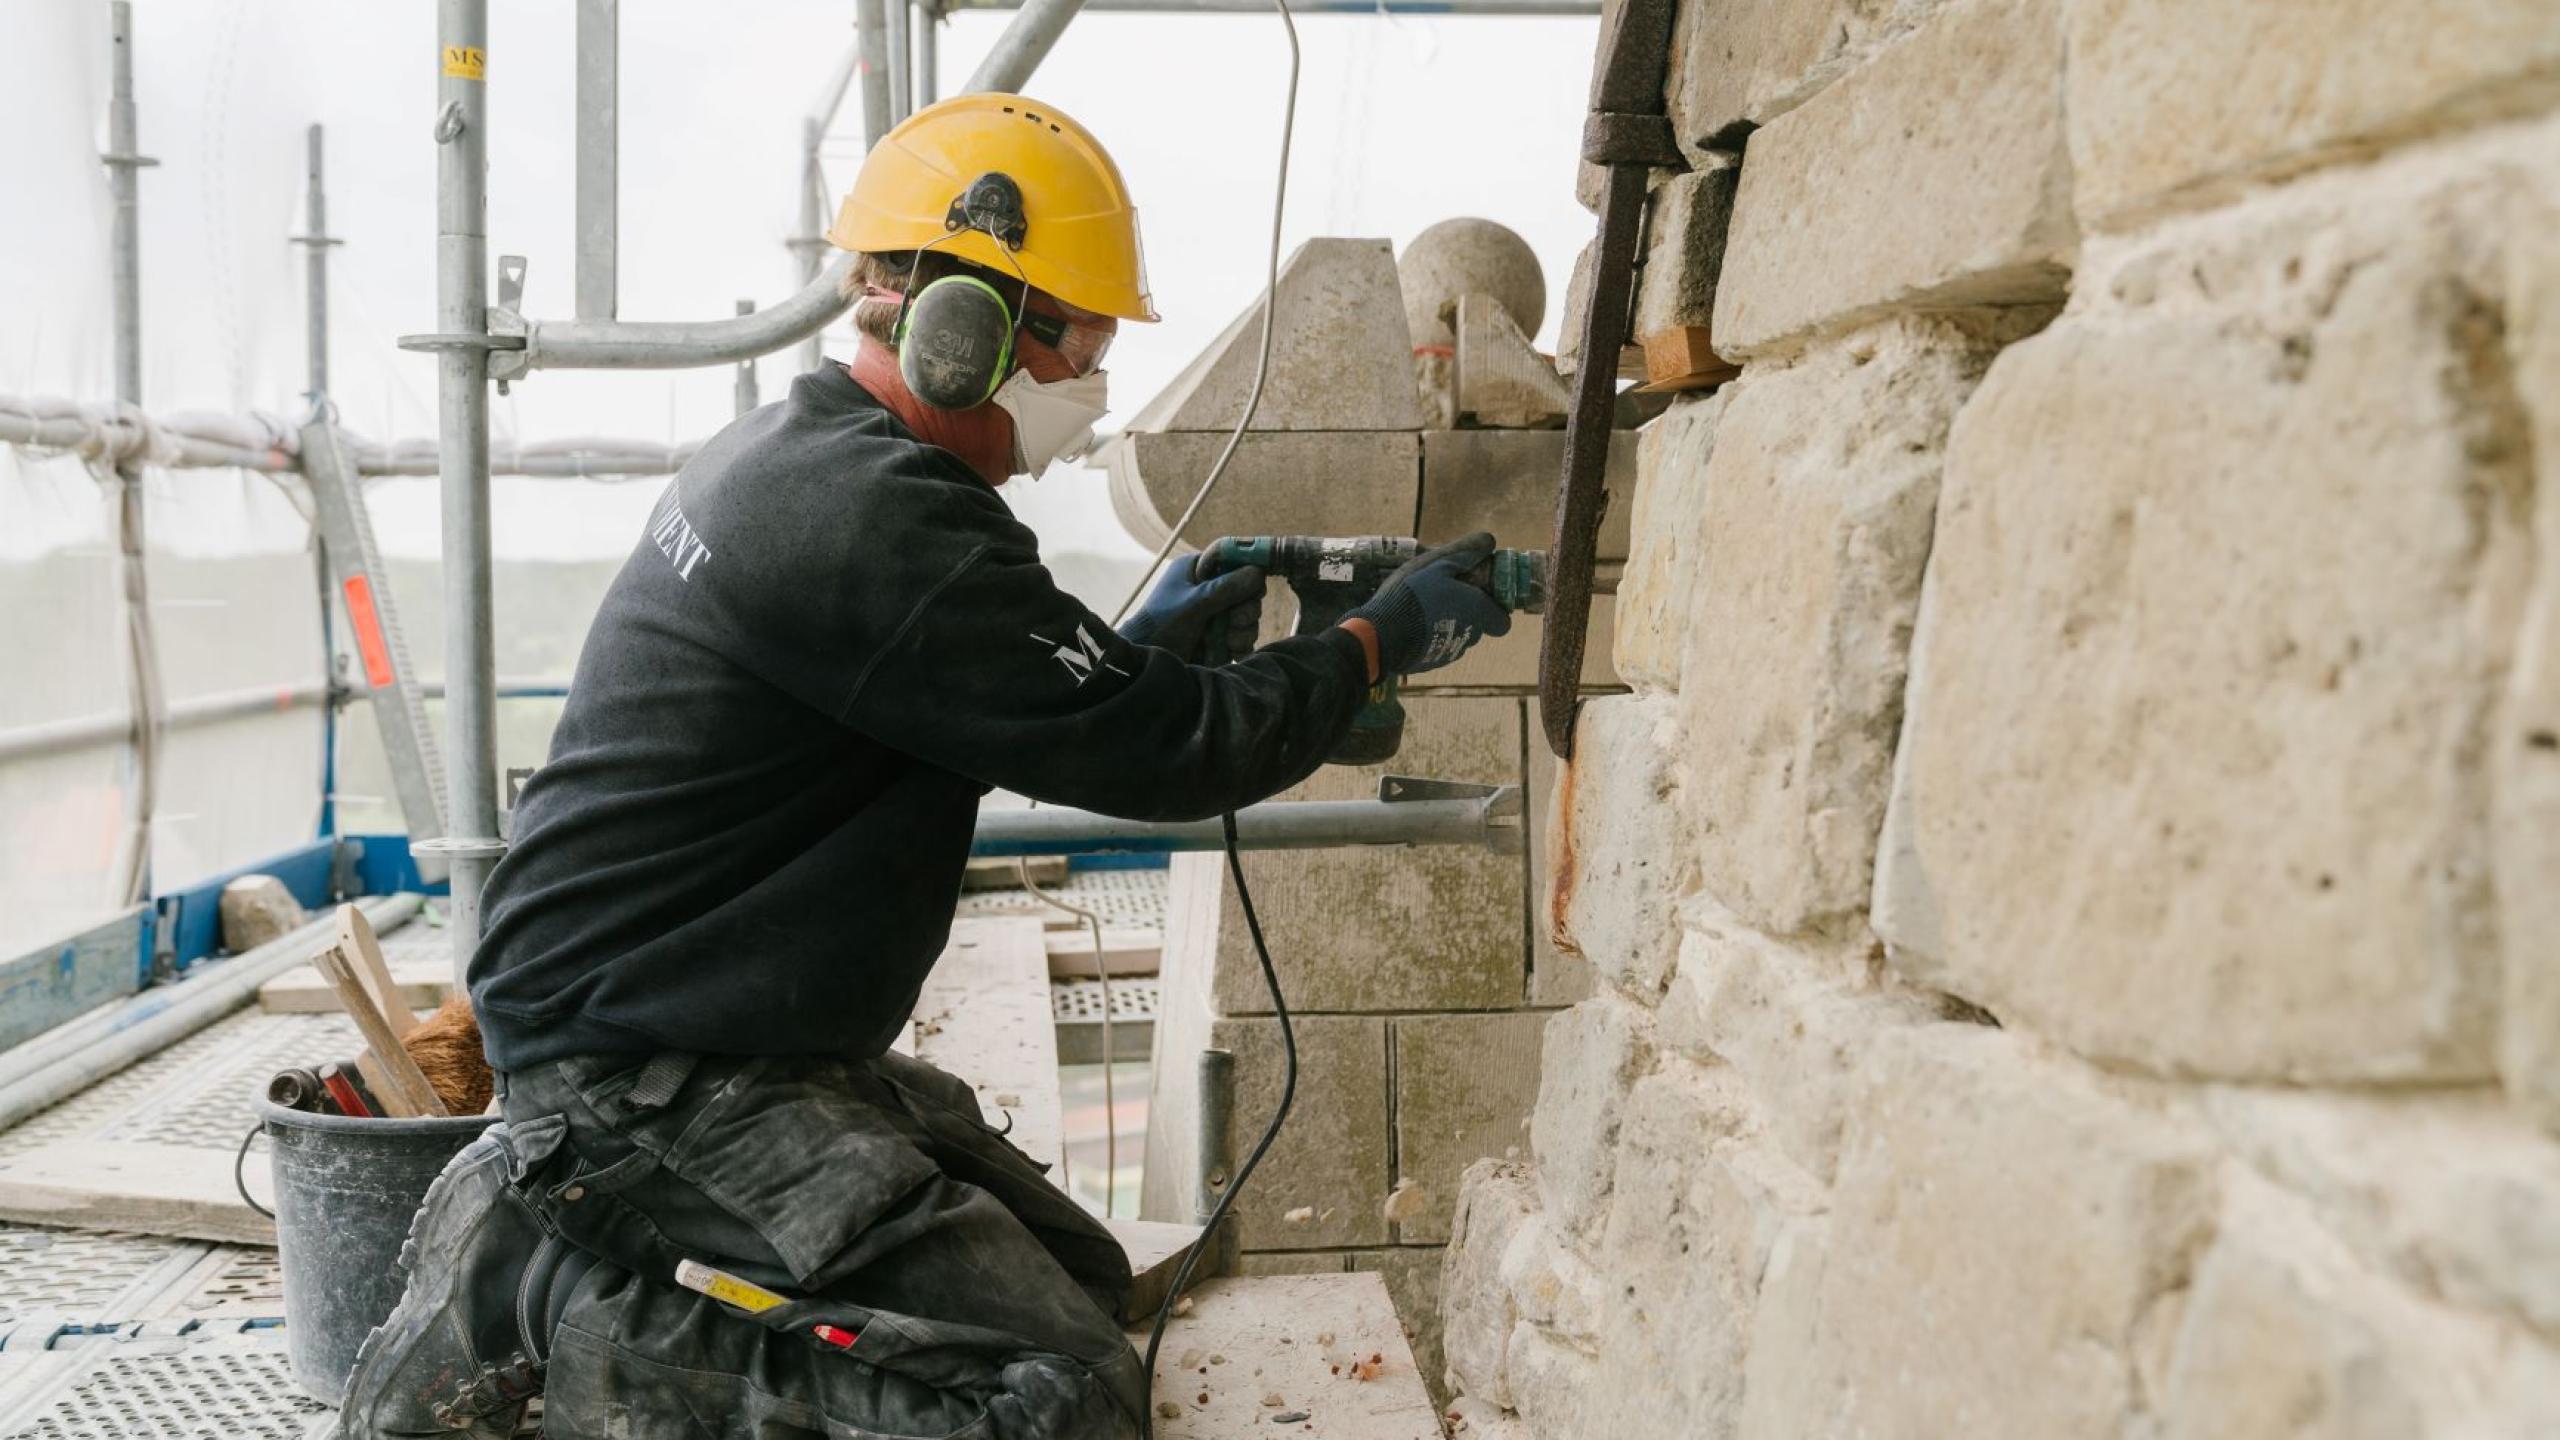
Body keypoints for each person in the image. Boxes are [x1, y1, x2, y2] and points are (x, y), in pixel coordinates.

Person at [325, 93, 1508, 1440]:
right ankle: (565, 1319)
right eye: (1080, 342)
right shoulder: (875, 519)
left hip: (718, 1034)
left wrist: (1153, 646)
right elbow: (1174, 748)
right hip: (645, 1080)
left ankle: (610, 1252)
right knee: (1053, 1401)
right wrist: (1373, 640)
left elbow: (999, 690)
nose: (1093, 389)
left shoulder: (819, 458)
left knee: (1080, 1278)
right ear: (968, 329)